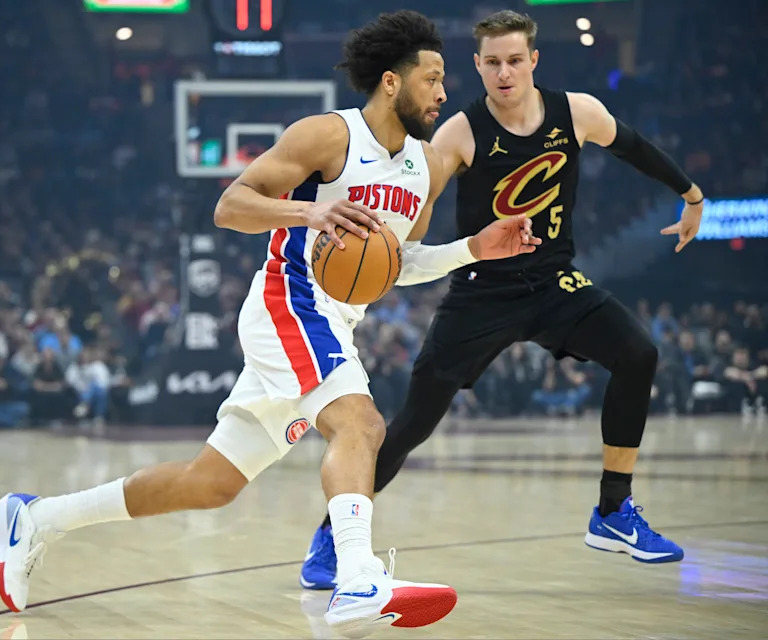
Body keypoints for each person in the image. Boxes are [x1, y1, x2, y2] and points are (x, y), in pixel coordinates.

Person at [0, 11, 539, 637]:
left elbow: (393, 264)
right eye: (433, 78)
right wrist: (311, 212)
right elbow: (230, 207)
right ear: (391, 81)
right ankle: (357, 576)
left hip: (334, 323)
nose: (444, 93)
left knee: (210, 484)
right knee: (361, 422)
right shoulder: (328, 137)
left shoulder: (425, 168)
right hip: (290, 303)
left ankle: (36, 518)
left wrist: (475, 248)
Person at [299, 9, 704, 590]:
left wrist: (689, 194)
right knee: (411, 423)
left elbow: (634, 146)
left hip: (554, 284)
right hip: (481, 292)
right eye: (492, 63)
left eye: (515, 60)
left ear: (534, 60)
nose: (505, 72)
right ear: (478, 66)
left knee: (639, 352)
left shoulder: (577, 112)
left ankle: (613, 510)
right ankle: (332, 535)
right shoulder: (459, 133)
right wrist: (382, 255)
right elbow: (415, 209)